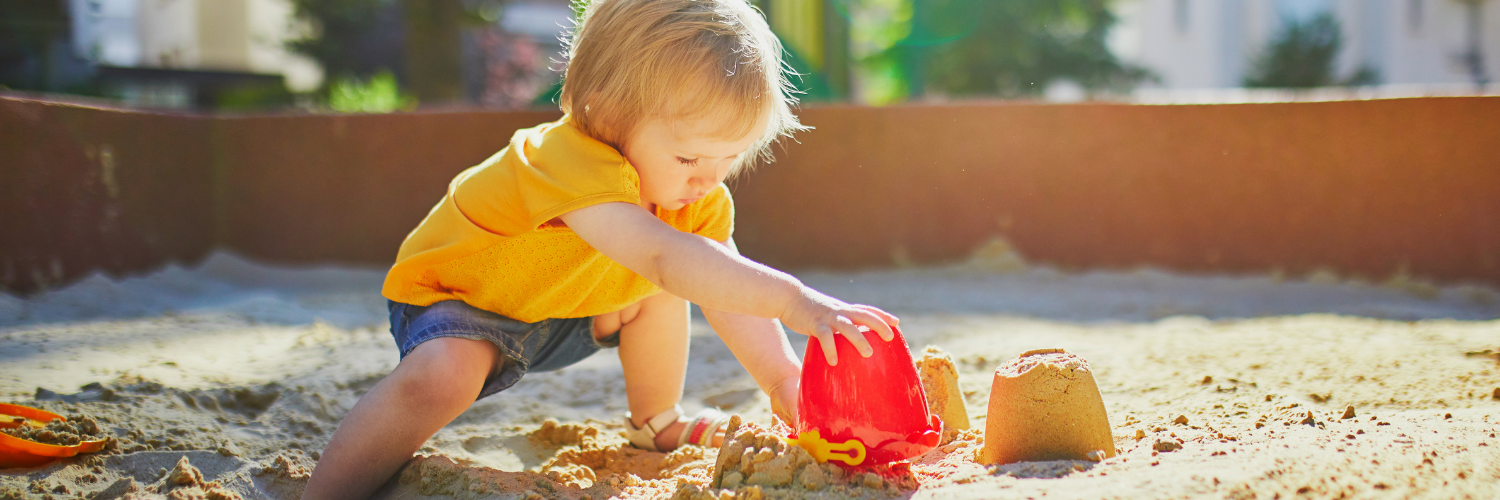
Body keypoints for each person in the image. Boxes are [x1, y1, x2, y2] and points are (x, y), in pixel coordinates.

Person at [302, 0, 898, 497]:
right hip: (456, 306)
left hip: (560, 311)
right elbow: (664, 256)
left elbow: (722, 285)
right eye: (689, 158)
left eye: (729, 158)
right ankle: (328, 489)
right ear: (606, 117)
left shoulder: (694, 199)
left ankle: (657, 423)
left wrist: (782, 380)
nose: (707, 180)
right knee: (442, 378)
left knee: (684, 277)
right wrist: (796, 302)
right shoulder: (567, 158)